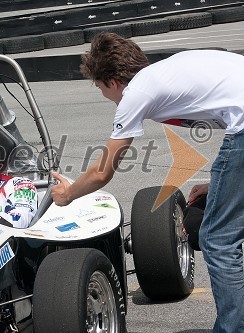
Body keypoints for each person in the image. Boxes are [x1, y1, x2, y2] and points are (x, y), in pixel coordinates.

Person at [51, 32, 244, 333]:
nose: (107, 97)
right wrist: (218, 183)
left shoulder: (137, 91)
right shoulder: (163, 75)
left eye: (102, 89)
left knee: (218, 239)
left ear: (112, 81)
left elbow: (103, 172)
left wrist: (67, 194)